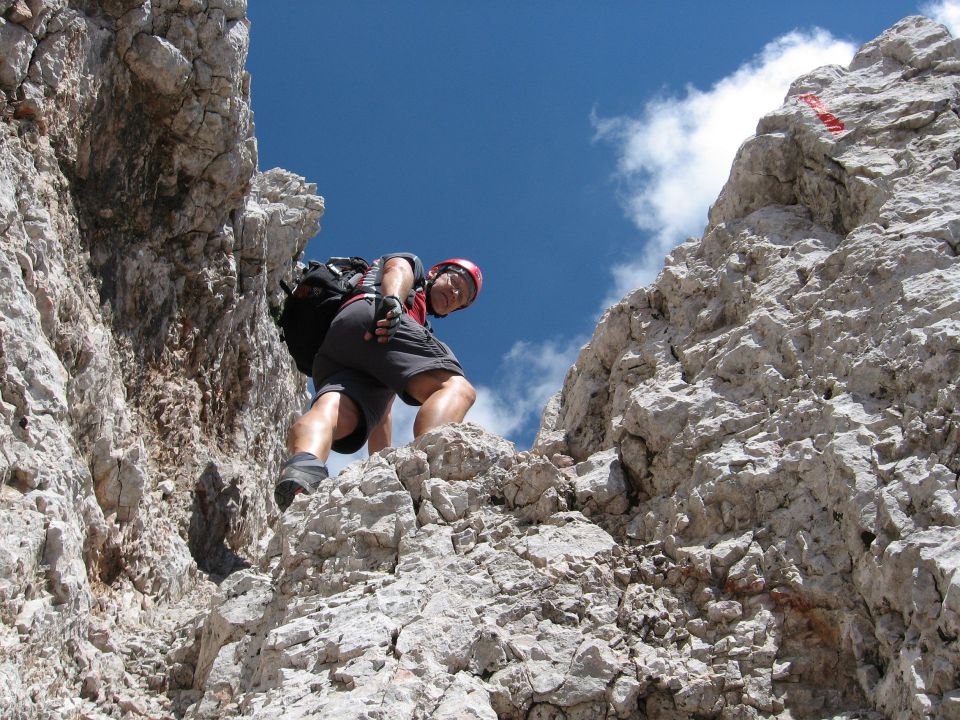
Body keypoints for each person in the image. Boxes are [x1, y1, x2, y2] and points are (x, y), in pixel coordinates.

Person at [274, 253, 482, 511]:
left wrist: (382, 467)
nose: (455, 293)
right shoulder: (412, 275)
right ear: (434, 273)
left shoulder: (416, 323)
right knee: (455, 388)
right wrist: (393, 300)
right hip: (377, 313)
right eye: (455, 281)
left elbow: (383, 411)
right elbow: (397, 268)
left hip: (339, 343)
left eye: (461, 298)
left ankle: (303, 467)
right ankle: (430, 467)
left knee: (336, 411)